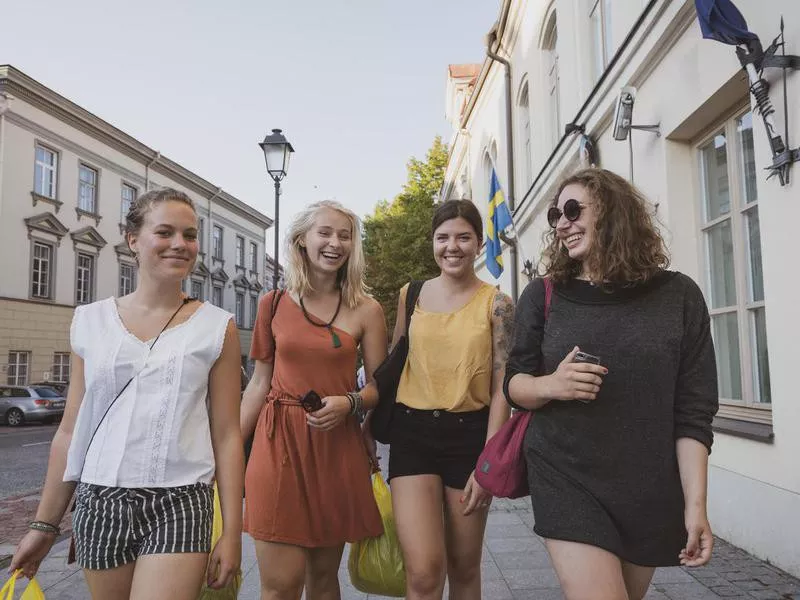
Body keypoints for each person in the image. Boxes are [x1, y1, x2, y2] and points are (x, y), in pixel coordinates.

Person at [9, 188, 244, 599]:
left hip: (182, 500)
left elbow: (226, 435)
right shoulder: (89, 321)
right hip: (100, 500)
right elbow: (70, 431)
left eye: (189, 235)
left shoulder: (216, 326)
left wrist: (234, 533)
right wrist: (44, 526)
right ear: (133, 239)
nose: (180, 245)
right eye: (166, 232)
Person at [504, 168, 719, 600]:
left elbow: (693, 414)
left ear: (614, 212)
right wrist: (553, 385)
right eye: (555, 215)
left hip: (648, 485)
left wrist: (696, 506)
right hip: (567, 473)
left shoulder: (679, 296)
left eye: (571, 210)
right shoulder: (543, 294)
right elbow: (514, 385)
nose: (561, 223)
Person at [240, 200, 387, 600]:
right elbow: (258, 384)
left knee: (322, 581)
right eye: (325, 232)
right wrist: (226, 450)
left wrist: (350, 403)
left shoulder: (368, 310)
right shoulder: (272, 303)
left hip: (335, 445)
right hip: (277, 443)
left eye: (345, 235)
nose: (335, 243)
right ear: (302, 240)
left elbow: (378, 389)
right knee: (280, 584)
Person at [371, 199, 514, 600]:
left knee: (464, 568)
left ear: (478, 243)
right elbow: (393, 362)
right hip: (411, 434)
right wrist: (365, 425)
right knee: (423, 571)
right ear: (433, 242)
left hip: (469, 438)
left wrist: (489, 460)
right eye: (443, 237)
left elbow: (503, 381)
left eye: (463, 237)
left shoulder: (497, 303)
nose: (452, 246)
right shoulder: (410, 294)